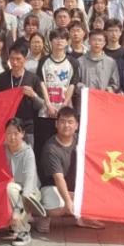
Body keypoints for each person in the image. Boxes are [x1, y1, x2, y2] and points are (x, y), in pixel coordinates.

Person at [34, 108, 103, 234]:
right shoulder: (51, 148)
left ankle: (79, 216)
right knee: (56, 206)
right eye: (62, 122)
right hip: (53, 187)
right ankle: (43, 214)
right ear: (56, 124)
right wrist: (68, 202)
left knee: (100, 198)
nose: (66, 125)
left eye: (70, 122)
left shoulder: (81, 140)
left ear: (77, 125)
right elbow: (58, 178)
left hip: (75, 188)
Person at [34, 29, 78, 159]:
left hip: (64, 112)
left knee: (64, 145)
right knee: (43, 145)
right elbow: (41, 83)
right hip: (46, 112)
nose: (59, 41)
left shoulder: (73, 62)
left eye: (63, 38)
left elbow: (72, 84)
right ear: (51, 41)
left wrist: (63, 106)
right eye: (56, 38)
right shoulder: (43, 61)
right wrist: (48, 104)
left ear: (67, 41)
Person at [3, 118, 44, 246]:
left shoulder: (28, 153)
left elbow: (28, 186)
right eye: (9, 133)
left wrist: (17, 211)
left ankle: (23, 230)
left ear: (23, 134)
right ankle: (14, 223)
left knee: (10, 188)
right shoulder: (3, 149)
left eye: (16, 133)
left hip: (30, 194)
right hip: (13, 191)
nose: (12, 137)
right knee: (5, 188)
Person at [0, 46, 44, 144]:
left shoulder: (33, 78)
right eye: (12, 59)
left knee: (27, 152)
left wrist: (33, 95)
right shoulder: (2, 77)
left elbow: (41, 105)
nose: (14, 62)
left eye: (18, 59)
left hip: (27, 126)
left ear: (25, 59)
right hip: (8, 125)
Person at [77, 29, 120, 95]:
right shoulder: (80, 61)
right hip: (86, 98)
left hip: (103, 98)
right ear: (89, 42)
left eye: (100, 40)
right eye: (94, 40)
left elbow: (115, 84)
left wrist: (110, 89)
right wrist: (83, 88)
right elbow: (75, 82)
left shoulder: (111, 62)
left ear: (104, 43)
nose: (97, 43)